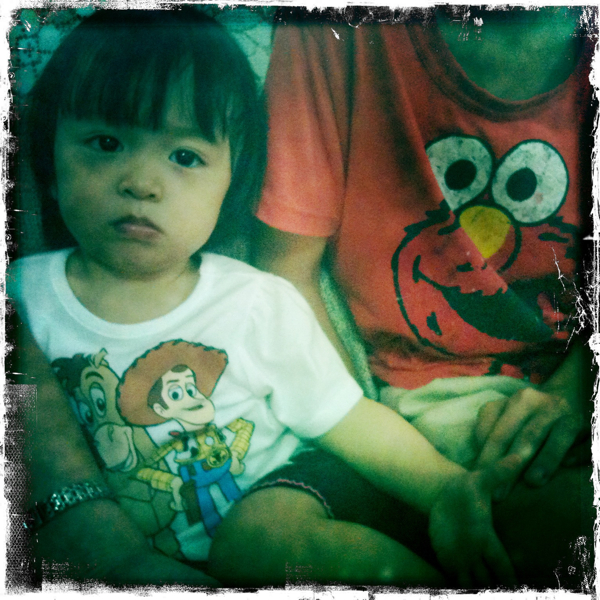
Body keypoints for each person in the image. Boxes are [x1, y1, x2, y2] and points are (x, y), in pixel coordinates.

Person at [8, 7, 526, 589]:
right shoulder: (21, 297)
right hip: (136, 567)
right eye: (106, 143)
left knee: (255, 544)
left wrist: (446, 490)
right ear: (48, 164)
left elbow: (347, 419)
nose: (141, 183)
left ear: (231, 183)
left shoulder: (254, 303)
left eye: (185, 157)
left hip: (292, 502)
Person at [216, 5, 596, 589]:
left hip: (548, 411)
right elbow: (288, 273)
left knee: (562, 533)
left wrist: (575, 390)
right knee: (254, 542)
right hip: (381, 418)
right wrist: (395, 451)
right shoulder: (333, 25)